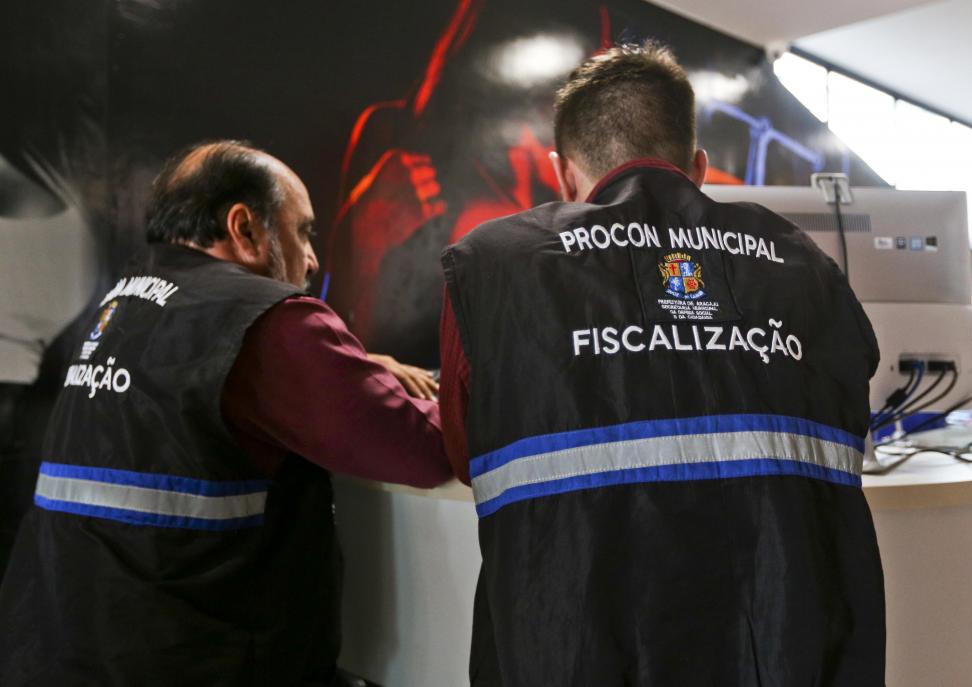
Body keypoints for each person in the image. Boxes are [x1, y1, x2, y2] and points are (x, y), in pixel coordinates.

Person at [440, 42, 885, 686]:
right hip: (788, 644)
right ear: (698, 168)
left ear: (564, 174)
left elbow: (465, 455)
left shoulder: (490, 265)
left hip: (574, 647)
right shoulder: (807, 265)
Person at [0, 140, 451, 686]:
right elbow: (424, 449)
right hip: (197, 660)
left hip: (63, 651)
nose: (312, 259)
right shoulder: (268, 320)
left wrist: (344, 367)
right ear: (245, 229)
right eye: (303, 232)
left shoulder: (122, 305)